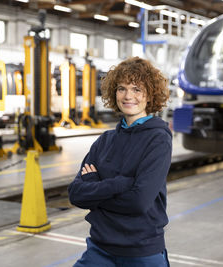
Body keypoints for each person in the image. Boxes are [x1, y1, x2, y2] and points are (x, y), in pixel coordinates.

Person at [68, 57, 172, 267]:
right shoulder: (104, 141)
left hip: (141, 252)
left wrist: (97, 189)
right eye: (122, 88)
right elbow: (76, 194)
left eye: (137, 89)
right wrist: (120, 184)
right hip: (99, 248)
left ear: (150, 94)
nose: (128, 96)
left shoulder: (158, 139)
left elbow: (139, 202)